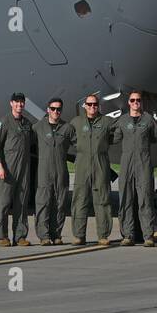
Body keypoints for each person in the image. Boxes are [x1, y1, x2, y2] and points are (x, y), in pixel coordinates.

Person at [110, 90, 157, 246]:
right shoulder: (122, 120)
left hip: (144, 164)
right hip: (126, 164)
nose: (135, 103)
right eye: (132, 100)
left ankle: (148, 235)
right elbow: (114, 138)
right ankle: (128, 235)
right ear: (128, 103)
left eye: (138, 100)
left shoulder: (149, 120)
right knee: (126, 199)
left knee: (145, 199)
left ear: (141, 102)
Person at [69, 94, 117, 246]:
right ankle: (79, 235)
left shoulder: (107, 122)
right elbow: (70, 137)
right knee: (80, 200)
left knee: (102, 200)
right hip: (82, 164)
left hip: (100, 163)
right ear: (84, 106)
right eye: (89, 104)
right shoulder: (76, 122)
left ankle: (103, 235)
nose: (92, 107)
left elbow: (117, 135)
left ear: (98, 106)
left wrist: (103, 145)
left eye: (95, 104)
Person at [0, 93, 35, 247]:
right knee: (3, 203)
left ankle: (20, 236)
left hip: (23, 170)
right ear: (11, 103)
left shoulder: (27, 124)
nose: (19, 105)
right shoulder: (4, 122)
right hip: (7, 169)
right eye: (16, 102)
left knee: (21, 204)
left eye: (22, 102)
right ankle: (2, 236)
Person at [35, 97, 74, 245]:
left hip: (61, 171)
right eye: (53, 109)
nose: (55, 111)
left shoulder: (67, 128)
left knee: (60, 202)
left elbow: (80, 145)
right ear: (48, 110)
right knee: (43, 202)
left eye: (58, 109)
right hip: (44, 172)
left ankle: (56, 234)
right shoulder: (38, 127)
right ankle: (44, 236)